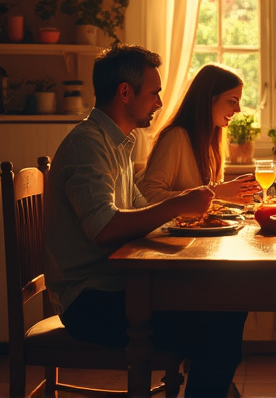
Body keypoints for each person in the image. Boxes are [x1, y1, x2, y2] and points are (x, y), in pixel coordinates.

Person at [43, 44, 247, 398]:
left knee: (226, 301)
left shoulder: (118, 144)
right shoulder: (87, 145)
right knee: (220, 321)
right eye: (154, 93)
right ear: (125, 92)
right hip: (89, 300)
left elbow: (140, 211)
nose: (159, 102)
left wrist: (186, 212)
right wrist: (180, 203)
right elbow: (104, 228)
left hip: (117, 285)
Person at [138, 62, 260, 204]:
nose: (238, 109)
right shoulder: (176, 137)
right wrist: (216, 192)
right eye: (233, 101)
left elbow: (205, 202)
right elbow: (149, 196)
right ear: (209, 100)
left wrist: (231, 193)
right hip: (169, 226)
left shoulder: (210, 143)